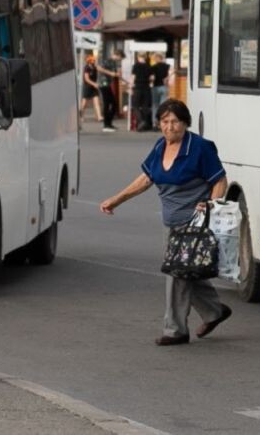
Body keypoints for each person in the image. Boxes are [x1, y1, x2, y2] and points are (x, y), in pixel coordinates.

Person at [100, 99, 232, 346]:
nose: (170, 126)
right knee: (189, 271)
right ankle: (214, 311)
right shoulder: (161, 146)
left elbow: (220, 181)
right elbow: (145, 179)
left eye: (175, 121)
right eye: (165, 121)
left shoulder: (200, 148)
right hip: (170, 223)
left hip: (193, 224)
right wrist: (116, 200)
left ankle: (175, 330)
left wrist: (211, 207)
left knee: (176, 274)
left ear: (185, 123)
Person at [97, 50, 124, 132]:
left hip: (108, 84)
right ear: (117, 55)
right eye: (120, 58)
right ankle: (106, 125)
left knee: (113, 103)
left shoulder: (114, 63)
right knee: (107, 103)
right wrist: (110, 73)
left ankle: (109, 123)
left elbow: (116, 74)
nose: (120, 60)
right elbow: (99, 68)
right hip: (103, 83)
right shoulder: (107, 60)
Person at [131, 52, 153, 131]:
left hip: (137, 87)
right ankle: (146, 124)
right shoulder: (148, 66)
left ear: (138, 57)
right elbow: (152, 78)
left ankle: (141, 121)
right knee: (145, 106)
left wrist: (130, 87)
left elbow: (133, 77)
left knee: (135, 105)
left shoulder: (136, 66)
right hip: (146, 88)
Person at [149, 53, 172, 128]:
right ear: (162, 58)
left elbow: (152, 78)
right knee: (163, 106)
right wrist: (167, 78)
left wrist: (151, 81)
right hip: (164, 87)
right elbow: (174, 70)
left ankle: (154, 123)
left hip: (155, 87)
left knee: (155, 105)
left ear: (156, 59)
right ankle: (162, 123)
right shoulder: (167, 66)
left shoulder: (153, 67)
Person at [80, 54, 103, 122]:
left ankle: (99, 116)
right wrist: (94, 84)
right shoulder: (86, 68)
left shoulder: (95, 67)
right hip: (87, 87)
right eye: (93, 60)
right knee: (84, 104)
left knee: (97, 102)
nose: (94, 60)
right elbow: (86, 79)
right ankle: (81, 116)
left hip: (94, 87)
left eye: (94, 60)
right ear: (89, 61)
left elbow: (101, 69)